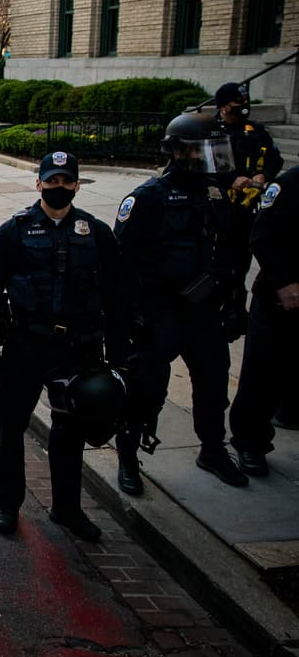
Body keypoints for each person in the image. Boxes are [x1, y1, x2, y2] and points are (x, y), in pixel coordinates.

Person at [0, 152, 131, 542]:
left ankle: (67, 509)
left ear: (77, 185)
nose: (58, 188)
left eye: (66, 181)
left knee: (70, 430)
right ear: (38, 183)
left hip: (77, 348)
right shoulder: (13, 231)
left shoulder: (95, 233)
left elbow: (117, 295)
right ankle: (7, 506)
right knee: (10, 428)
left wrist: (116, 355)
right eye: (51, 181)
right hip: (27, 344)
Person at [113, 111, 248, 493]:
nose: (209, 158)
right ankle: (127, 454)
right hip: (160, 312)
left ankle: (212, 449)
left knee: (213, 382)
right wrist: (131, 317)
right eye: (199, 151)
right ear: (177, 152)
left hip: (204, 312)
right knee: (146, 388)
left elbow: (233, 252)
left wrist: (237, 300)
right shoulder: (148, 198)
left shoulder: (217, 194)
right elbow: (122, 262)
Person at [227, 165, 299, 476]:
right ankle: (250, 442)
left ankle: (290, 411)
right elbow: (262, 237)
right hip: (281, 298)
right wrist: (284, 282)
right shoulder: (290, 184)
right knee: (264, 370)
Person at [215, 81, 283, 332]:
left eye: (244, 101)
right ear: (223, 107)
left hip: (248, 208)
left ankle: (235, 306)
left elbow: (275, 159)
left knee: (242, 258)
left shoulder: (255, 131)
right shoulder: (212, 132)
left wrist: (263, 176)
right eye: (237, 103)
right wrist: (230, 181)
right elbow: (205, 168)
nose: (243, 107)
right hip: (221, 207)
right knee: (220, 257)